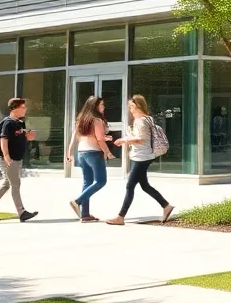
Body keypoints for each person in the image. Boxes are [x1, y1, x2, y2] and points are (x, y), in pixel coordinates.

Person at [105, 95, 174, 226]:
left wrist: (124, 140)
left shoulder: (141, 120)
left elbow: (140, 139)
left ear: (139, 106)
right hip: (145, 155)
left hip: (142, 156)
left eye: (132, 106)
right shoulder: (148, 119)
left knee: (130, 186)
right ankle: (166, 206)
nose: (130, 109)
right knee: (145, 185)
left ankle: (120, 217)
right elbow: (141, 137)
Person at [0, 97, 38, 222]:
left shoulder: (19, 123)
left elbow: (20, 138)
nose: (25, 109)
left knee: (7, 184)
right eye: (23, 107)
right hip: (8, 159)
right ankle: (21, 212)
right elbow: (4, 139)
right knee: (15, 185)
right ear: (15, 108)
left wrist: (29, 136)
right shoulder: (8, 123)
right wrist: (6, 156)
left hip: (16, 158)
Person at [67, 95, 113, 222]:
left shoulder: (81, 119)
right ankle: (78, 201)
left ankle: (85, 215)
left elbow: (75, 138)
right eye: (101, 105)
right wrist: (108, 152)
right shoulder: (97, 120)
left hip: (81, 153)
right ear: (95, 106)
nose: (103, 107)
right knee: (100, 181)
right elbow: (99, 140)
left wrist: (69, 152)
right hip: (94, 153)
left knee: (87, 183)